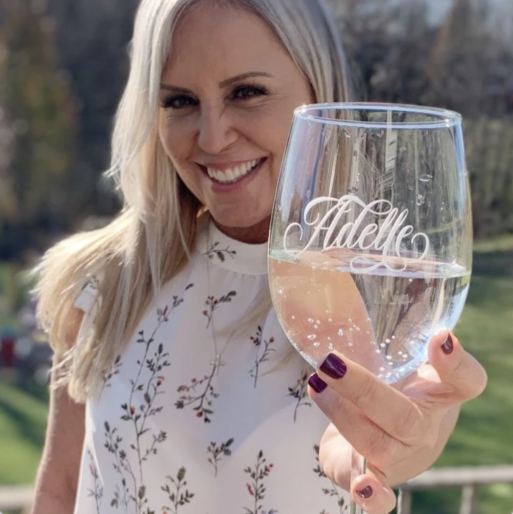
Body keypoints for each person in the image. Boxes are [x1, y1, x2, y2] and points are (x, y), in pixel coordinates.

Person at [31, 0, 487, 513]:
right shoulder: (104, 281)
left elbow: (415, 415)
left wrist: (402, 444)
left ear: (319, 92)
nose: (212, 136)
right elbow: (60, 490)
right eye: (180, 101)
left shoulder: (384, 291)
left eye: (246, 93)